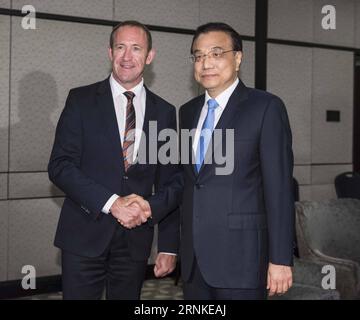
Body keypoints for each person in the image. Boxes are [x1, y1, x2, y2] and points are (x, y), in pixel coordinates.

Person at [48, 21, 182, 300]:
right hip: (83, 236)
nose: (127, 56)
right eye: (120, 47)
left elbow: (172, 182)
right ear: (110, 52)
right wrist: (112, 204)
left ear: (149, 56)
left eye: (136, 48)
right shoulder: (81, 100)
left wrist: (169, 246)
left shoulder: (165, 112)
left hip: (135, 242)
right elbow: (60, 166)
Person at [178, 22, 295, 300]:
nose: (206, 63)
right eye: (198, 55)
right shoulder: (187, 112)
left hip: (242, 260)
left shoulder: (266, 107)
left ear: (238, 58)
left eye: (216, 53)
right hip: (194, 262)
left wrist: (280, 259)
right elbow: (188, 184)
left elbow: (278, 190)